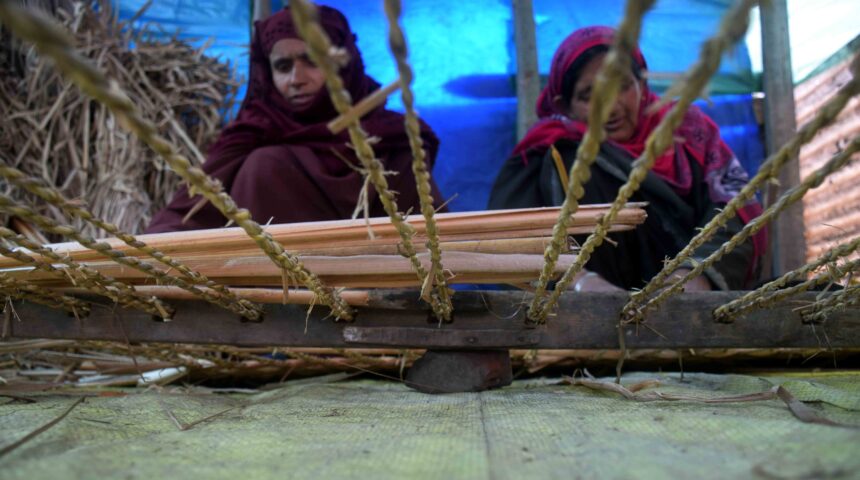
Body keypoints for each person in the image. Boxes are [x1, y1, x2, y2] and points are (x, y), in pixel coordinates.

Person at [488, 26, 765, 292]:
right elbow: (509, 242)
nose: (610, 107)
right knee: (572, 158)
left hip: (687, 300)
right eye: (589, 95)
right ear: (564, 106)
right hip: (593, 311)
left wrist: (695, 276)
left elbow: (735, 211)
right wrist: (579, 281)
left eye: (622, 86)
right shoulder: (548, 151)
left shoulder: (688, 132)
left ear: (642, 84)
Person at [147, 6, 444, 233]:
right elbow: (187, 214)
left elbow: (424, 234)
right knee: (264, 164)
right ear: (267, 73)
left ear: (344, 63)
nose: (296, 79)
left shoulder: (391, 138)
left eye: (313, 61)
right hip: (267, 300)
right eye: (283, 66)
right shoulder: (250, 134)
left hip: (371, 294)